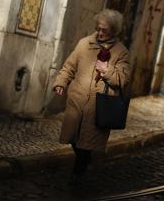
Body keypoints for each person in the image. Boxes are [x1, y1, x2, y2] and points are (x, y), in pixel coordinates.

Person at [52, 9, 130, 185]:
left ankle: (77, 175)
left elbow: (123, 80)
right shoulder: (84, 44)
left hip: (98, 106)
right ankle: (83, 164)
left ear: (114, 31)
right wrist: (61, 83)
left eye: (105, 30)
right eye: (99, 28)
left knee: (86, 143)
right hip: (77, 100)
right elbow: (69, 66)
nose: (101, 33)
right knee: (74, 138)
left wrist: (107, 71)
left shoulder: (121, 52)